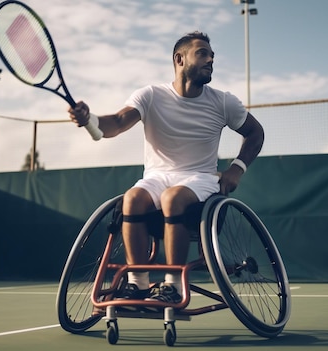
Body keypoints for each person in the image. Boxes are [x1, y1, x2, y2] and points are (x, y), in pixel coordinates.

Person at [69, 31, 264, 304]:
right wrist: (89, 119)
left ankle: (174, 285)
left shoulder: (223, 102)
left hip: (201, 178)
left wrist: (237, 169)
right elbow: (116, 123)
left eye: (212, 56)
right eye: (202, 53)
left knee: (172, 198)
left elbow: (256, 133)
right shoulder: (150, 95)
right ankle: (137, 284)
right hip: (157, 177)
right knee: (132, 199)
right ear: (179, 59)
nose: (210, 60)